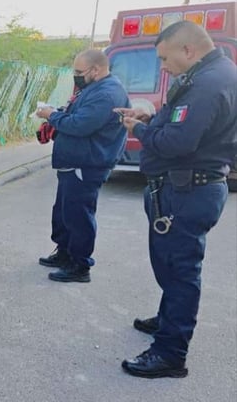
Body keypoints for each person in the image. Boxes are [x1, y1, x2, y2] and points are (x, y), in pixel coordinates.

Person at [116, 20, 237, 379]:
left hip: (188, 191)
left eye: (165, 59)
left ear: (188, 50)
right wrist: (152, 115)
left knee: (181, 272)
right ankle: (169, 319)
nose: (163, 67)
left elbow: (176, 143)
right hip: (186, 187)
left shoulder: (207, 83)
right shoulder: (214, 74)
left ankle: (170, 353)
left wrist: (138, 129)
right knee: (170, 265)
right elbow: (184, 124)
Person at [35, 49, 128, 283]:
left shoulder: (107, 94)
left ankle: (79, 265)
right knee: (65, 212)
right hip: (74, 162)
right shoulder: (93, 89)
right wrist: (57, 114)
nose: (75, 76)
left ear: (95, 70)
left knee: (79, 216)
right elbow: (77, 115)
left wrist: (51, 116)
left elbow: (80, 125)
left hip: (87, 164)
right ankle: (65, 253)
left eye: (79, 72)